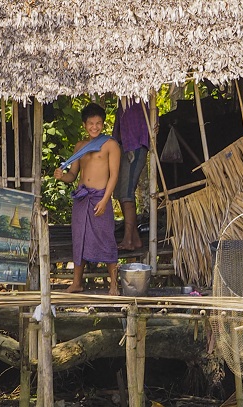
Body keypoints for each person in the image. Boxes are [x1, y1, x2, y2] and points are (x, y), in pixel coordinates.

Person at [54, 103, 122, 295]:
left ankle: (113, 285)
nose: (95, 127)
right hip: (82, 198)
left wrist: (105, 200)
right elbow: (72, 175)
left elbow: (114, 176)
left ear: (103, 124)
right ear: (84, 124)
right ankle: (77, 282)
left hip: (100, 198)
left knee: (106, 238)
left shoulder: (110, 144)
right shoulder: (80, 147)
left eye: (98, 123)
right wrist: (61, 176)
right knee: (79, 238)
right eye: (91, 123)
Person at [113, 98, 150, 251]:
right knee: (122, 193)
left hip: (135, 147)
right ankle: (134, 238)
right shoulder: (123, 97)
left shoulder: (141, 96)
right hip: (123, 147)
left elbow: (152, 117)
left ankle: (128, 239)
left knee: (127, 193)